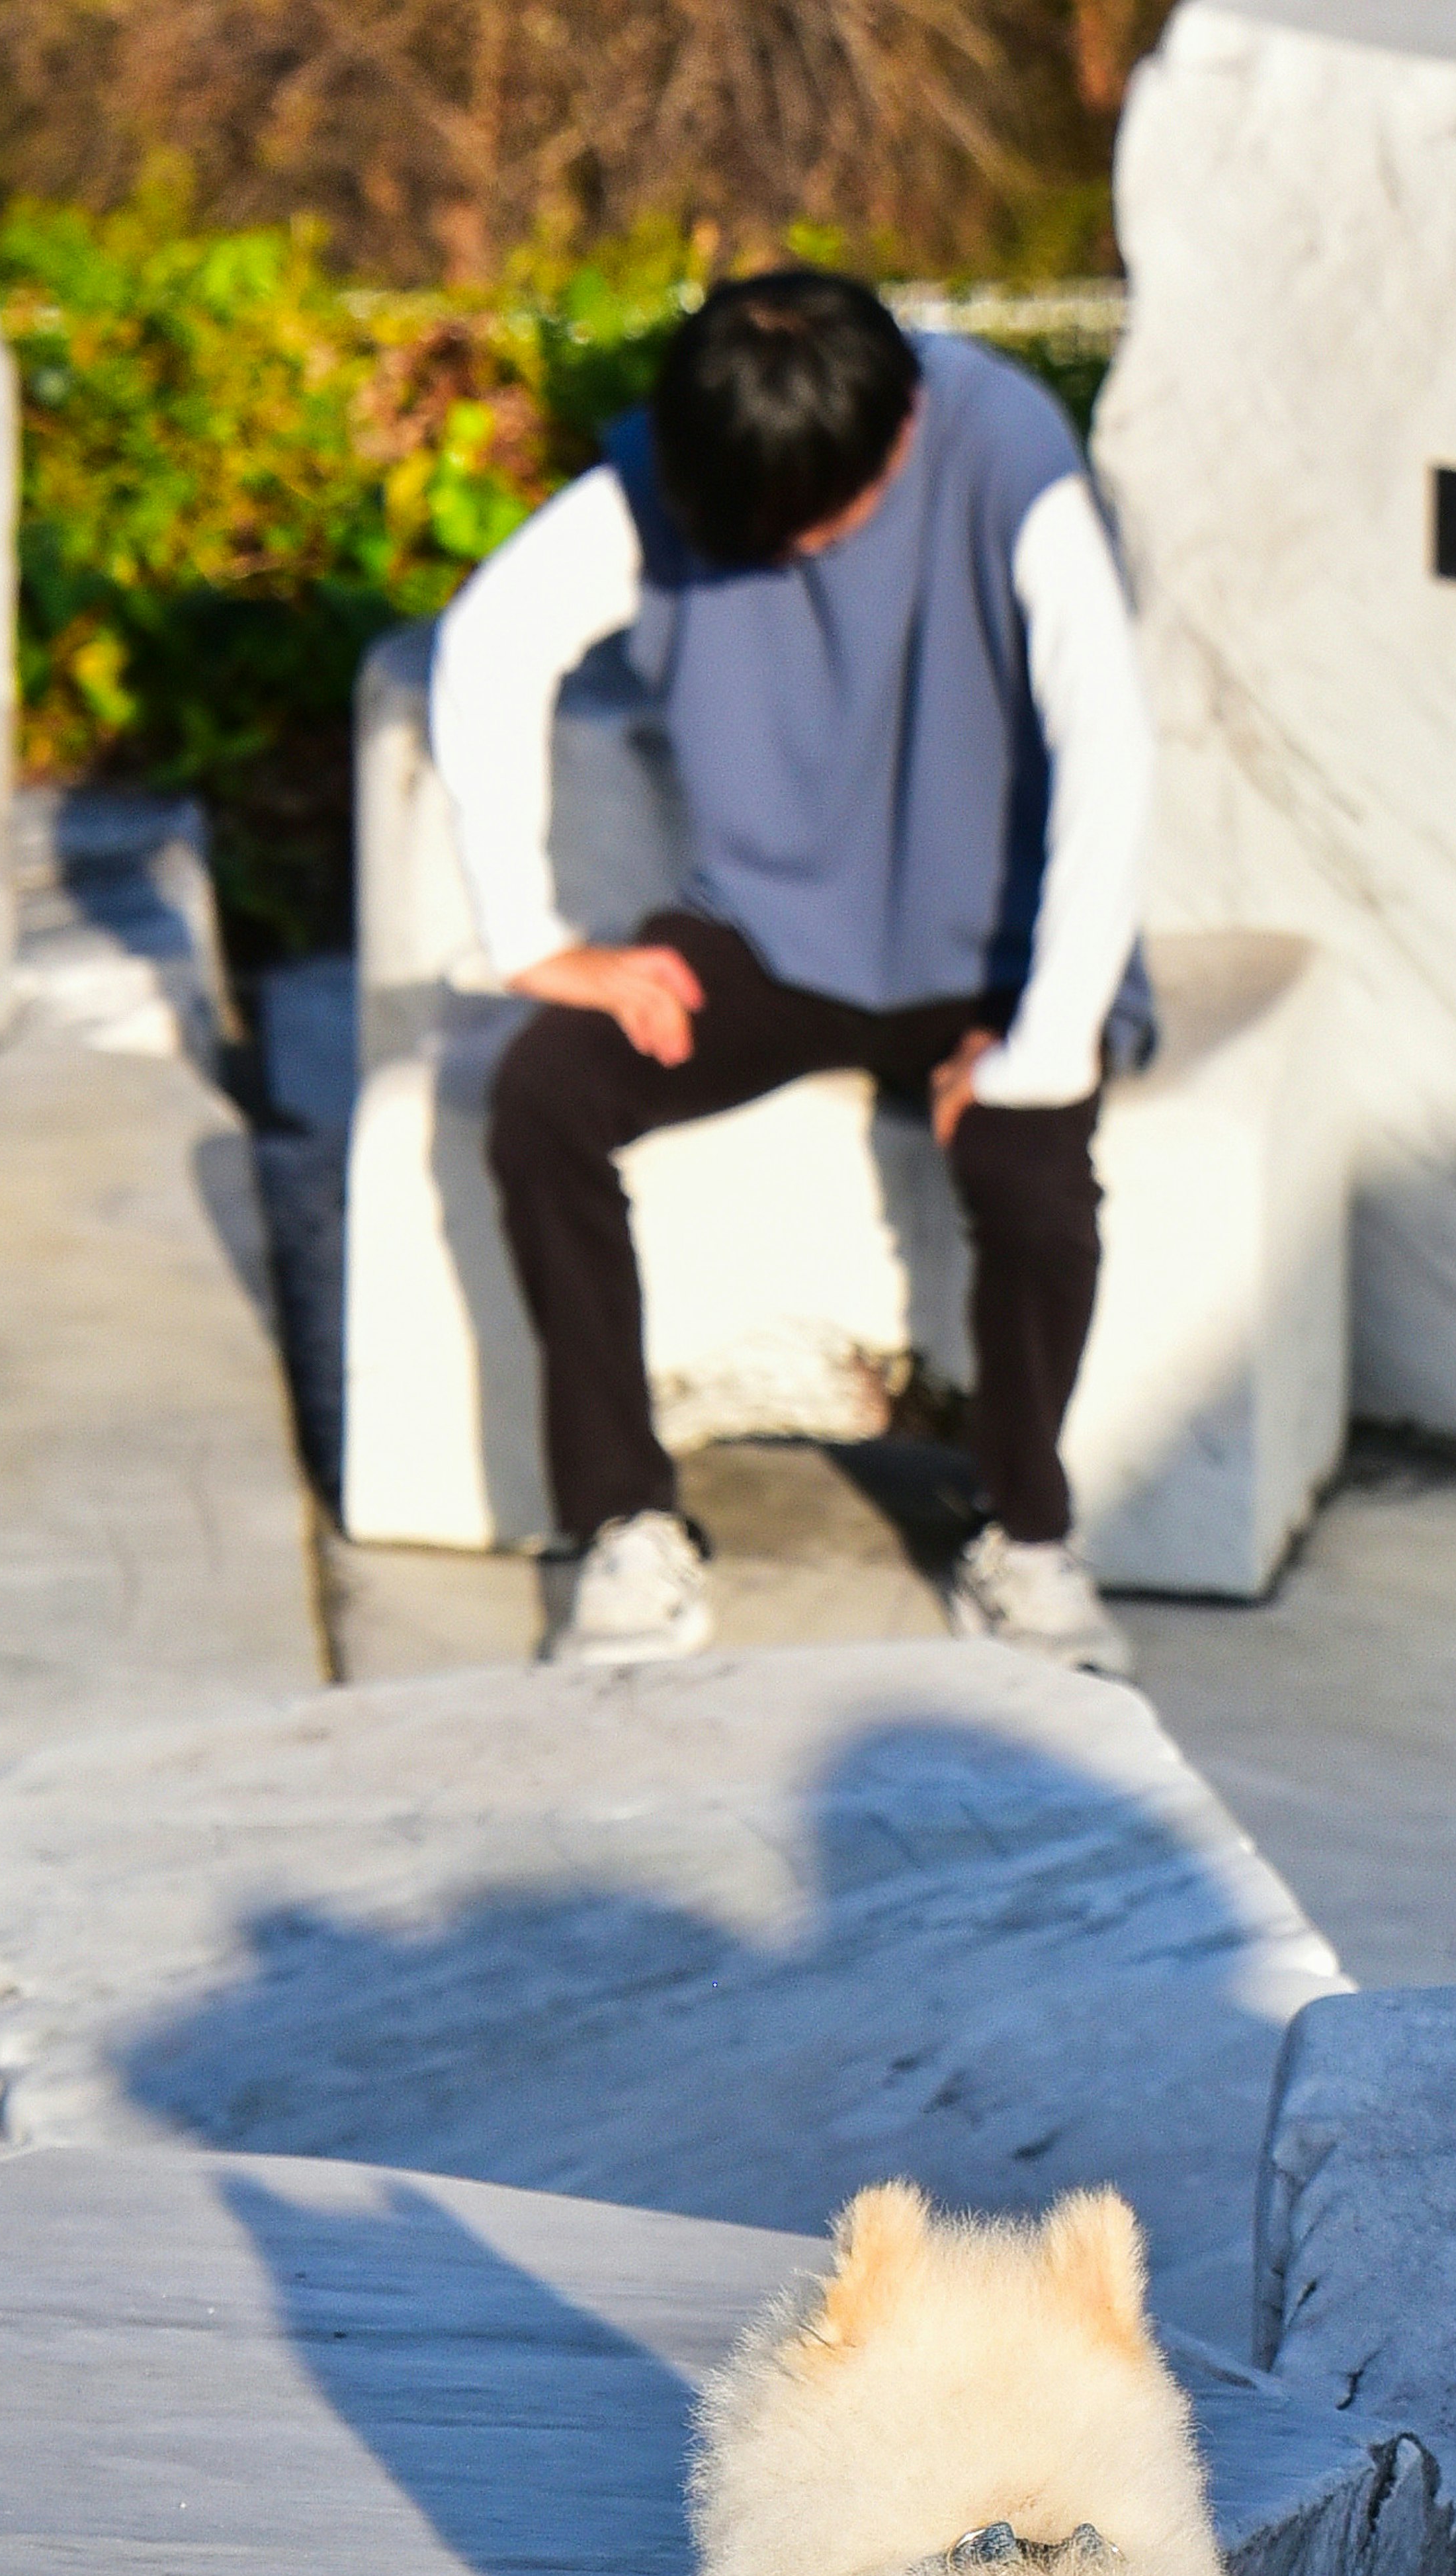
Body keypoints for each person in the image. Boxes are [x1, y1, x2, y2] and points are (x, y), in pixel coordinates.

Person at [429, 269, 1155, 1674]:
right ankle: (626, 1526)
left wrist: (1042, 1043)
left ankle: (1029, 1537)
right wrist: (530, 941)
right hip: (776, 930)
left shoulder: (1005, 452)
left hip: (990, 946)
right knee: (546, 1097)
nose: (787, 551)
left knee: (1032, 1172)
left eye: (810, 522)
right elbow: (490, 643)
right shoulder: (700, 448)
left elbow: (1109, 750)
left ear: (892, 441)